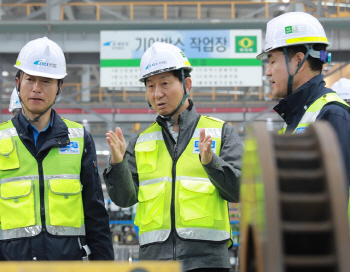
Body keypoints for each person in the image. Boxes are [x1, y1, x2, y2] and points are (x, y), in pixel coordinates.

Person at [103, 42, 242, 272]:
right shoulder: (140, 142)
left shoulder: (221, 132)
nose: (157, 94)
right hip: (155, 260)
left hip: (207, 262)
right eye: (150, 86)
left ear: (186, 84)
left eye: (165, 84)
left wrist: (212, 163)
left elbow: (239, 190)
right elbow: (125, 199)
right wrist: (117, 167)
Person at [0, 37, 114, 260]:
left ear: (59, 87)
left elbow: (95, 214)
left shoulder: (80, 139)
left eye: (46, 81)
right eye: (30, 79)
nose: (36, 89)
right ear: (17, 82)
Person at [257, 12, 350, 193]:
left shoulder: (333, 115)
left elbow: (335, 197)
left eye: (272, 61)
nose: (268, 72)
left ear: (299, 60)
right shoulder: (297, 117)